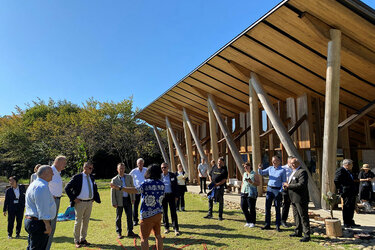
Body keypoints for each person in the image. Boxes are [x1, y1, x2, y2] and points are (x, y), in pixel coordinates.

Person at [111, 164, 164, 250]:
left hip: (147, 215)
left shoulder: (146, 183)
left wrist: (120, 188)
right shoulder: (161, 184)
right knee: (158, 236)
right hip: (158, 213)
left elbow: (135, 190)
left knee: (144, 238)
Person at [65, 161, 101, 248]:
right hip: (80, 203)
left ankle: (83, 239)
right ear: (84, 168)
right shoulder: (77, 177)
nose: (91, 170)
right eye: (90, 168)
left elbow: (94, 188)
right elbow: (67, 188)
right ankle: (76, 240)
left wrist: (93, 197)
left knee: (86, 222)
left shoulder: (91, 177)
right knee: (78, 222)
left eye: (92, 168)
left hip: (89, 202)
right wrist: (74, 198)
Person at [24, 165, 56, 250]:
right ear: (45, 173)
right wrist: (47, 225)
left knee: (32, 247)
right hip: (38, 222)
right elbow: (42, 208)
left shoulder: (34, 184)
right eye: (51, 172)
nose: (53, 174)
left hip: (32, 221)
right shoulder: (42, 187)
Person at [283, 158, 311, 242]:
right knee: (296, 216)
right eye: (291, 163)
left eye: (294, 163)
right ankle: (298, 231)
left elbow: (301, 184)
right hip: (293, 198)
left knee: (303, 216)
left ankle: (306, 234)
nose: (293, 165)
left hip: (300, 198)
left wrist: (288, 186)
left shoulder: (302, 172)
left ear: (299, 163)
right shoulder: (293, 172)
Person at [258, 155, 286, 232]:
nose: (273, 162)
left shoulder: (282, 170)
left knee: (277, 208)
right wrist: (260, 168)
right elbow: (262, 173)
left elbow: (284, 181)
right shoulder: (270, 168)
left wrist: (280, 191)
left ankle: (277, 225)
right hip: (269, 189)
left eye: (275, 161)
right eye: (272, 161)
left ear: (279, 161)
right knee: (267, 207)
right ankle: (267, 224)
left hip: (277, 190)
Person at [111, 163, 136, 239]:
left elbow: (132, 187)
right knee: (119, 217)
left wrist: (133, 198)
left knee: (129, 216)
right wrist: (114, 202)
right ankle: (119, 232)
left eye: (123, 168)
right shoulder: (114, 180)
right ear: (117, 169)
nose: (121, 170)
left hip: (128, 199)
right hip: (119, 201)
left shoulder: (129, 177)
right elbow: (112, 192)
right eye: (120, 168)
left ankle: (130, 231)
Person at [47, 155, 67, 250]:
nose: (65, 165)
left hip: (57, 201)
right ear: (58, 162)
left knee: (52, 226)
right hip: (50, 202)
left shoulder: (58, 172)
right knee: (48, 226)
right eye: (64, 163)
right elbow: (43, 186)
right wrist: (50, 197)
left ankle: (47, 247)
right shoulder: (49, 171)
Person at [334, 159, 360, 228]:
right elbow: (336, 180)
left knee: (351, 207)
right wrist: (340, 189)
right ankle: (346, 222)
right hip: (346, 191)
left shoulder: (348, 171)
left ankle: (351, 221)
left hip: (351, 192)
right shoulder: (341, 170)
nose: (352, 166)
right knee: (346, 206)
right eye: (351, 164)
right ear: (347, 165)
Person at [204, 156, 228, 221]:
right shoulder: (214, 167)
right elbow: (210, 174)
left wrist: (218, 184)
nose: (218, 163)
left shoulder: (224, 169)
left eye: (220, 161)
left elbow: (224, 179)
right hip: (213, 186)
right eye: (218, 161)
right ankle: (210, 214)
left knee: (220, 201)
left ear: (223, 162)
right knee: (210, 199)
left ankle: (220, 216)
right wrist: (211, 181)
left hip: (220, 187)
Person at [161, 162, 180, 235]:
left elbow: (176, 186)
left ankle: (176, 228)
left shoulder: (172, 175)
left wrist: (177, 196)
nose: (163, 169)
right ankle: (166, 228)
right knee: (164, 212)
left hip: (171, 195)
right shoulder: (160, 176)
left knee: (173, 212)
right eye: (162, 168)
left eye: (165, 167)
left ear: (167, 167)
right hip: (163, 196)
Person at [240, 162, 260, 228]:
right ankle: (248, 220)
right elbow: (243, 182)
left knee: (251, 207)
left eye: (247, 167)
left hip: (251, 193)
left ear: (250, 166)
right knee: (243, 206)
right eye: (245, 167)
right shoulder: (244, 174)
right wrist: (241, 190)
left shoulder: (254, 174)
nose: (245, 168)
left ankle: (253, 222)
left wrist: (252, 182)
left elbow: (258, 183)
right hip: (244, 192)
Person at [130, 158, 148, 226]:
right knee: (135, 205)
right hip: (136, 190)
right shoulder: (134, 171)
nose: (140, 164)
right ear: (137, 164)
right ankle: (135, 220)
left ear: (143, 163)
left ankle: (146, 218)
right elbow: (129, 178)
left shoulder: (146, 170)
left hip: (145, 190)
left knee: (145, 205)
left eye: (141, 163)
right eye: (139, 163)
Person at [281, 156, 294, 228]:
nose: (293, 164)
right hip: (285, 189)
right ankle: (283, 221)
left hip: (293, 188)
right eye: (291, 162)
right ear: (288, 162)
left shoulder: (295, 169)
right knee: (286, 205)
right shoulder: (283, 168)